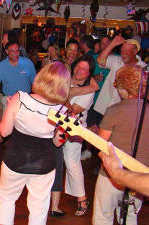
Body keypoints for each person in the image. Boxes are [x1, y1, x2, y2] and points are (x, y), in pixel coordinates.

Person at [0, 61, 71, 225]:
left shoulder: (20, 98)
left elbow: (4, 131)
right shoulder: (62, 111)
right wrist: (66, 130)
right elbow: (58, 143)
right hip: (43, 165)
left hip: (15, 160)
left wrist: (10, 109)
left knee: (6, 198)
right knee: (39, 207)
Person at [93, 64, 149, 225]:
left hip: (111, 176)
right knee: (130, 217)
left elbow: (101, 146)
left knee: (103, 217)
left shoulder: (114, 110)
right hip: (140, 177)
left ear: (121, 87)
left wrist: (96, 132)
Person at [0, 41, 36, 166]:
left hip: (26, 101)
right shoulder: (1, 66)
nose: (15, 53)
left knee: (25, 130)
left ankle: (22, 156)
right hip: (10, 100)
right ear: (6, 52)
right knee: (5, 129)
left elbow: (35, 82)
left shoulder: (27, 63)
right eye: (12, 51)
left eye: (17, 50)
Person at [63, 55, 95, 216]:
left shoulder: (88, 92)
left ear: (89, 74)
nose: (79, 70)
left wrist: (65, 94)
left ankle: (82, 199)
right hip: (55, 125)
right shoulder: (67, 80)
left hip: (75, 129)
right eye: (78, 66)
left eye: (84, 69)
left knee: (71, 162)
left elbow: (71, 111)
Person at [94, 37, 147, 115]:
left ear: (135, 51)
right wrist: (112, 44)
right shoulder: (117, 60)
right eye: (122, 50)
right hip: (103, 108)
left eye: (126, 50)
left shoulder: (143, 68)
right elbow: (100, 60)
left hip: (123, 113)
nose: (123, 53)